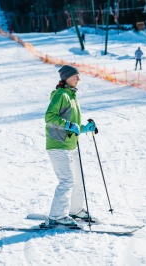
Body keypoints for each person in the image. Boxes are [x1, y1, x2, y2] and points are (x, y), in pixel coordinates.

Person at [45, 65, 97, 226]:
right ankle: (56, 216)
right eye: (76, 76)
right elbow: (49, 117)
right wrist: (68, 125)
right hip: (58, 144)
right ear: (67, 77)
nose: (79, 79)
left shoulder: (71, 96)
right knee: (67, 180)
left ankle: (76, 210)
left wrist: (84, 128)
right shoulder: (61, 95)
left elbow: (72, 126)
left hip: (71, 144)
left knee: (78, 180)